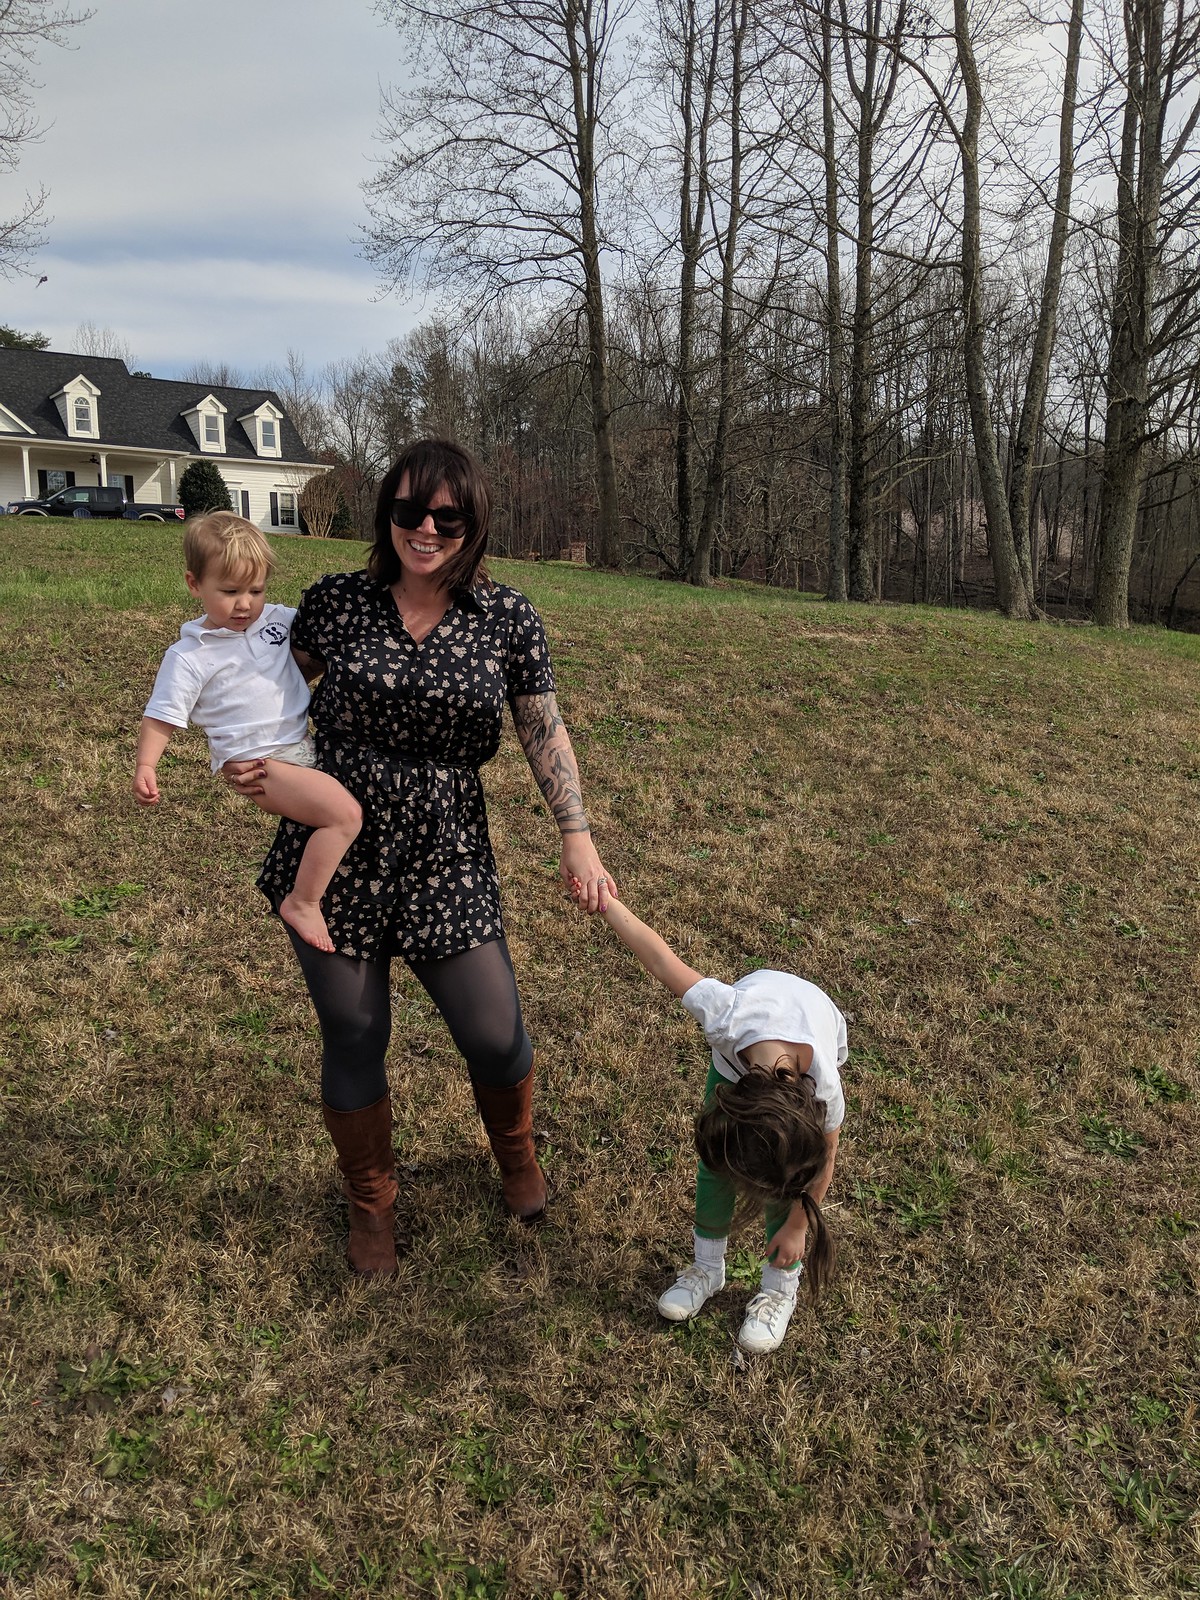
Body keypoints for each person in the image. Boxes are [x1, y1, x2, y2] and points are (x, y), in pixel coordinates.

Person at [227, 439, 615, 1276]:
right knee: (354, 1029)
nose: (426, 530)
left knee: (494, 1032)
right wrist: (240, 754)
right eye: (409, 511)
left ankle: (516, 1153)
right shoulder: (336, 603)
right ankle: (372, 1202)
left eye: (447, 517)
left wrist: (575, 832)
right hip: (337, 842)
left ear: (474, 523)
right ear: (387, 515)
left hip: (447, 845)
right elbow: (265, 689)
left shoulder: (505, 618)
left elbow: (542, 728)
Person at [579, 882, 845, 1355]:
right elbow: (659, 957)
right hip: (753, 1034)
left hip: (813, 1016)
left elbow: (824, 1159)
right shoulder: (725, 1016)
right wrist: (606, 902)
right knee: (714, 1167)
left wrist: (797, 1227)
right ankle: (707, 1268)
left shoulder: (823, 1087)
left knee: (785, 1181)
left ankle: (779, 1289)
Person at [133, 512, 362, 954]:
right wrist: (147, 765)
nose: (245, 604)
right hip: (259, 765)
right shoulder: (190, 656)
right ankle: (302, 901)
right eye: (230, 592)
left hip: (299, 749)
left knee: (346, 813)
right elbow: (162, 716)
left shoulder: (277, 621)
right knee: (345, 816)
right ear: (194, 584)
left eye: (255, 590)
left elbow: (323, 630)